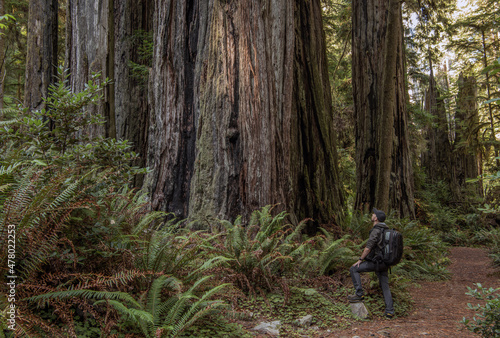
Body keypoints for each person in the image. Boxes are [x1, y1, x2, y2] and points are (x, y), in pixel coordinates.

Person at [348, 208, 395, 318]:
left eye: (374, 214)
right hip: (385, 262)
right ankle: (389, 311)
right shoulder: (387, 230)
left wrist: (360, 259)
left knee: (353, 268)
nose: (372, 214)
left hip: (377, 262)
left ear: (376, 218)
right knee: (385, 286)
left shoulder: (376, 230)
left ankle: (359, 294)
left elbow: (368, 248)